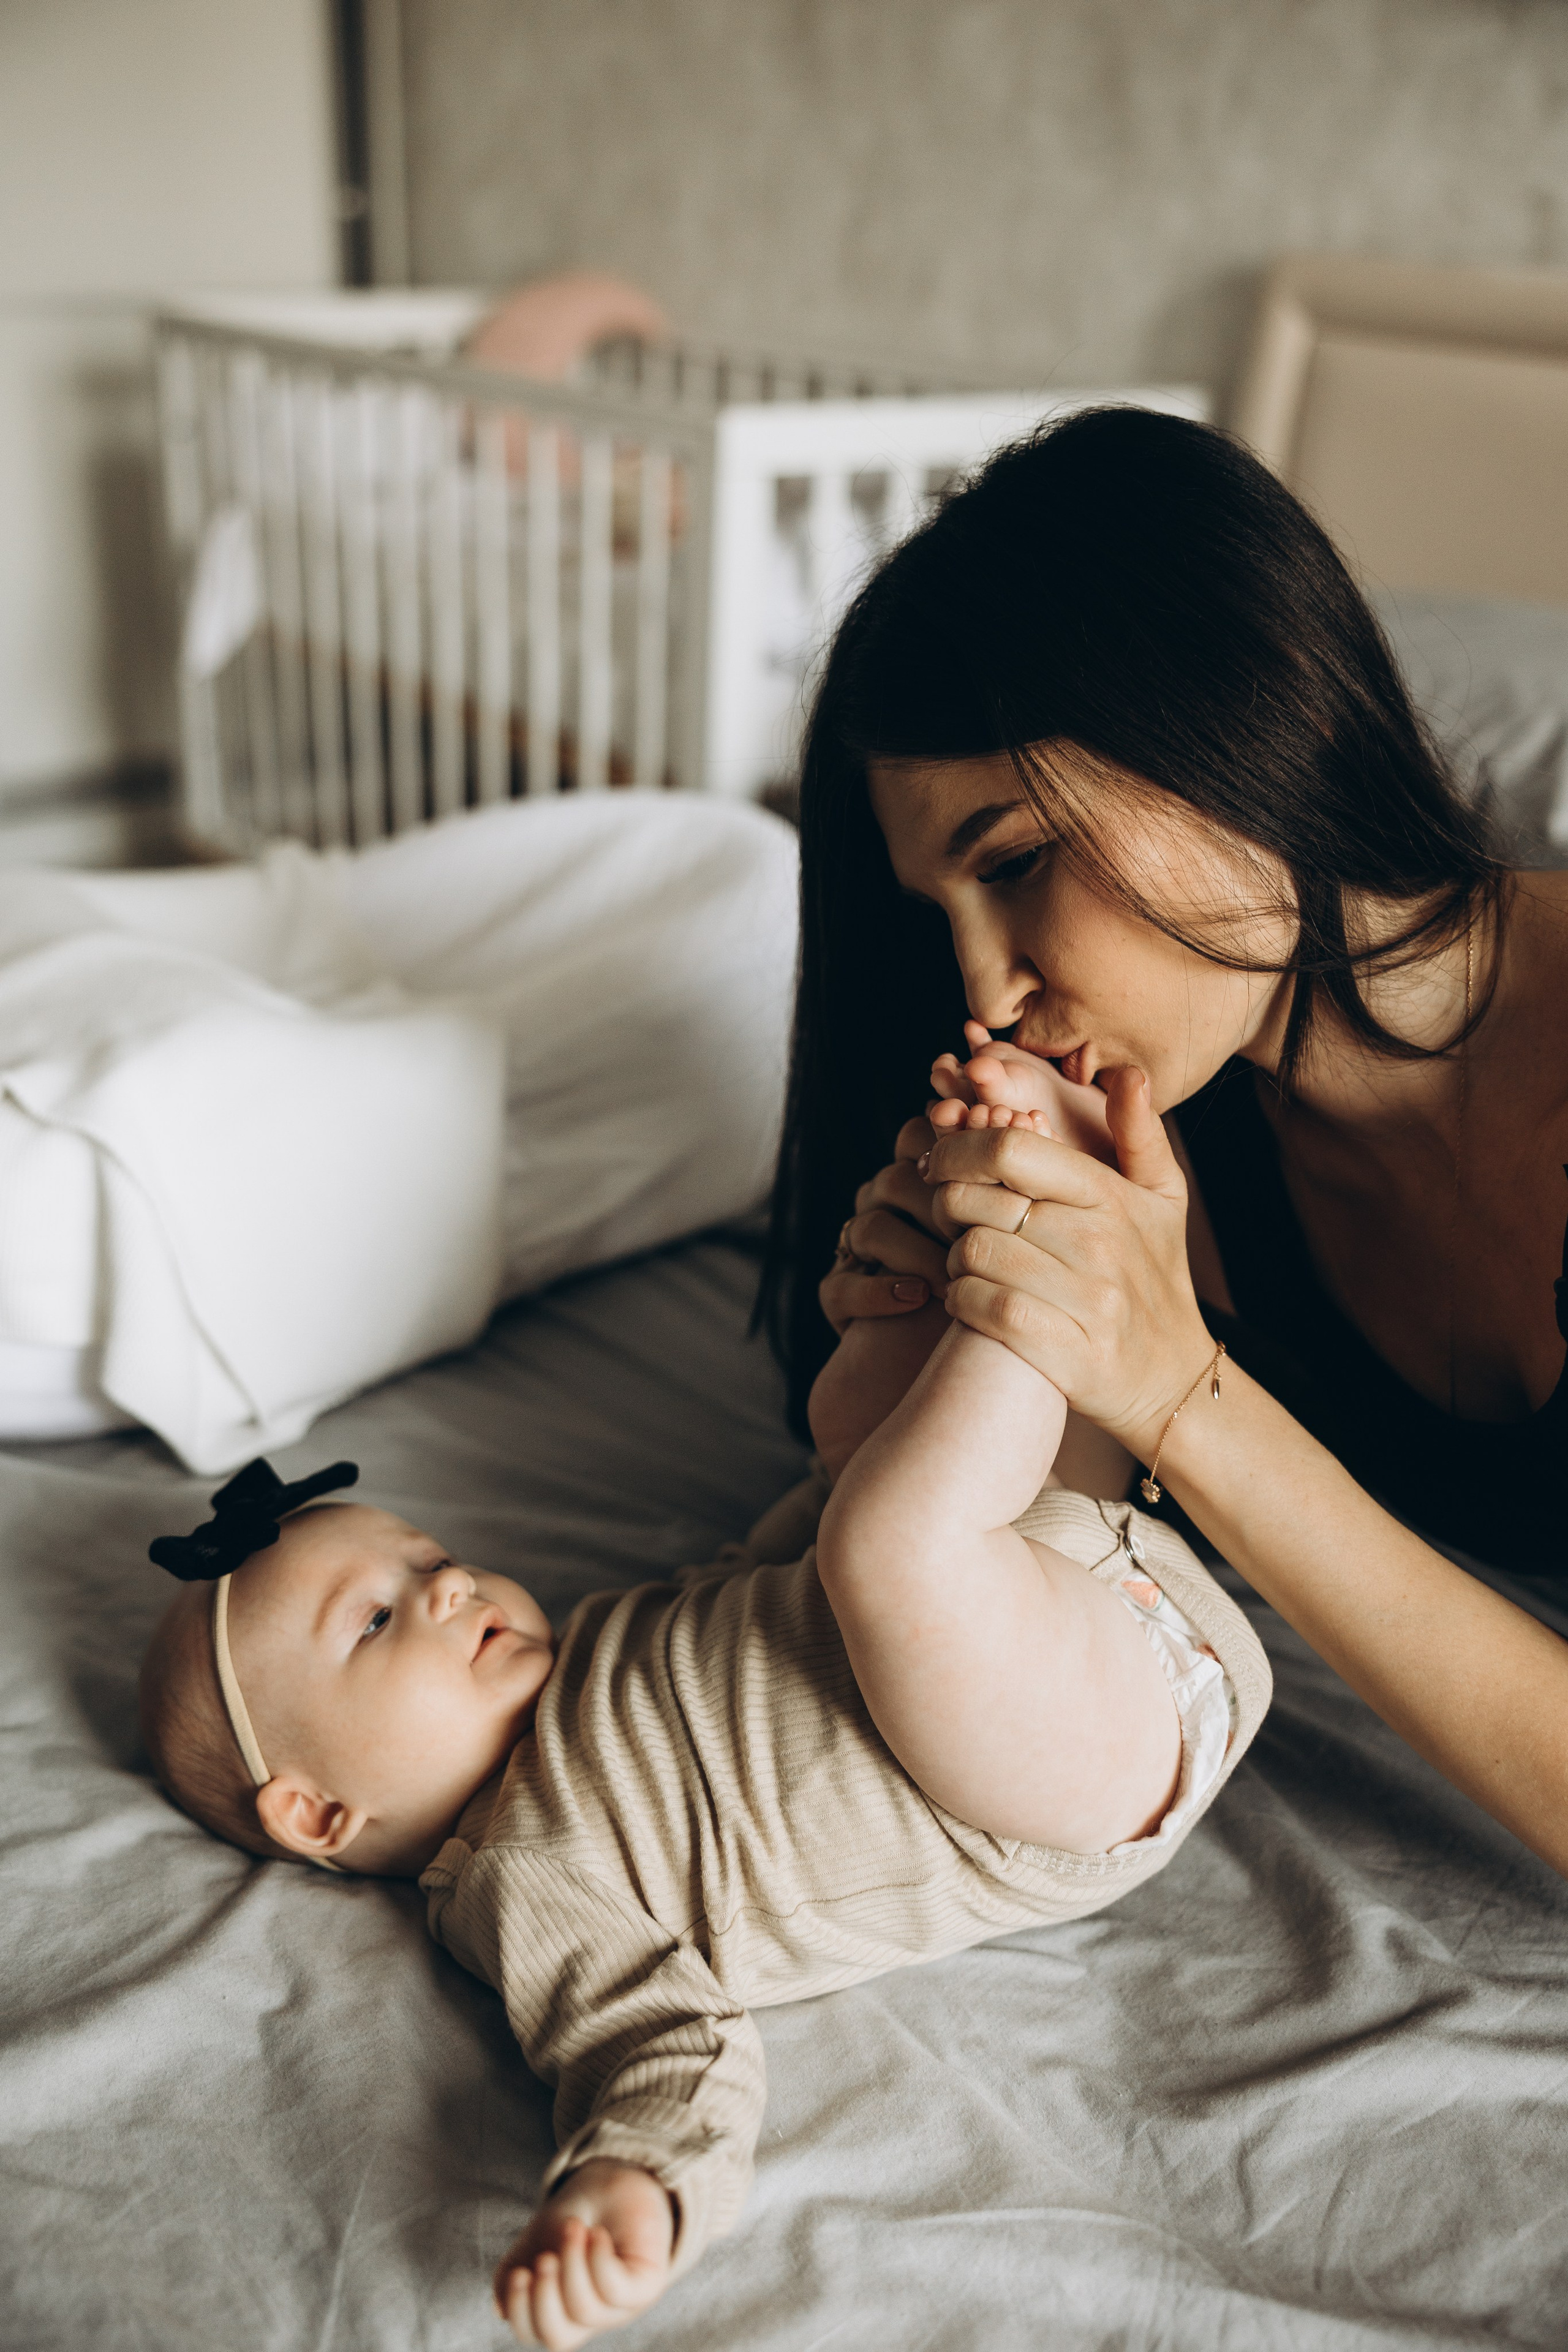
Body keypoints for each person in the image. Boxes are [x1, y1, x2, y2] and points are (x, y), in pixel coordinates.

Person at [138, 1091, 1269, 2348]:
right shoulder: (522, 1877)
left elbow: (761, 1591)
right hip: (1067, 1762)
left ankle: (983, 1223)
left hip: (1076, 1586)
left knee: (851, 1464)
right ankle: (1031, 1257)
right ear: (318, 1812)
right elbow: (652, 2043)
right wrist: (632, 2185)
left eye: (424, 1559)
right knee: (887, 1533)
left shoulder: (588, 1656)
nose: (445, 1584)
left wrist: (849, 1458)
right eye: (376, 1623)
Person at [761, 404, 1568, 1884]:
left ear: (1234, 717)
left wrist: (1180, 1394)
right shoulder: (1164, 1143)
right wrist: (947, 1375)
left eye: (1012, 863)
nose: (986, 989)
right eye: (943, 918)